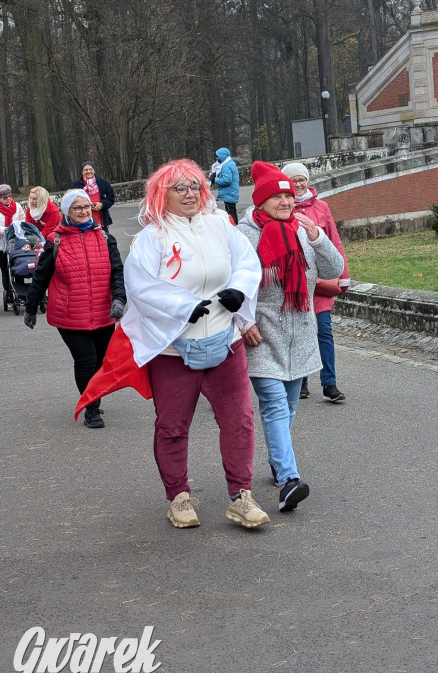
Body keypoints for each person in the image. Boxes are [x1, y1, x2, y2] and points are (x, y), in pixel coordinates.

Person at [95, 158, 269, 530]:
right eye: (180, 188)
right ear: (163, 193)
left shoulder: (222, 226)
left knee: (239, 421)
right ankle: (178, 496)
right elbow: (141, 286)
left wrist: (239, 289)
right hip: (174, 349)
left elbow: (247, 263)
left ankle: (241, 495)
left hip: (226, 343)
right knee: (172, 425)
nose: (190, 194)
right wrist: (183, 307)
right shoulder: (151, 238)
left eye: (194, 186)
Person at [237, 161, 344, 513]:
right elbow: (230, 285)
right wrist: (243, 322)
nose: (286, 200)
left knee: (290, 407)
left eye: (289, 194)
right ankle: (288, 480)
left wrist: (318, 237)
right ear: (262, 201)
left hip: (301, 334)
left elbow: (332, 270)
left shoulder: (301, 229)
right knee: (275, 405)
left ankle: (277, 459)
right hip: (263, 337)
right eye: (278, 195)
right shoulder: (244, 235)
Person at [23, 189, 126, 429]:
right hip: (69, 314)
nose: (83, 211)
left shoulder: (105, 238)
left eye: (87, 206)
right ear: (67, 211)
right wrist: (30, 308)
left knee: (101, 361)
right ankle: (91, 408)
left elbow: (117, 273)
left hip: (103, 312)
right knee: (86, 360)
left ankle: (93, 396)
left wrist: (119, 298)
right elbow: (41, 276)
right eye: (77, 208)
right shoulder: (55, 241)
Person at [282, 162, 350, 402]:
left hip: (320, 282)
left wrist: (343, 275)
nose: (299, 184)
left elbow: (334, 240)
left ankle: (329, 384)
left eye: (302, 179)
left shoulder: (321, 207)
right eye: (294, 180)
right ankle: (301, 381)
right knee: (299, 332)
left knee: (323, 331)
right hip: (296, 284)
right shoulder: (282, 208)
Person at [0, 183, 25, 304]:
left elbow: (23, 219)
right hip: (2, 244)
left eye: (10, 196)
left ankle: (21, 293)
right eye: (5, 197)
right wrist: (4, 230)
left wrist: (17, 227)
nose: (8, 199)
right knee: (5, 270)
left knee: (18, 269)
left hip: (16, 242)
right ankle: (8, 294)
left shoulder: (18, 207)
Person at [72, 161, 116, 231]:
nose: (88, 171)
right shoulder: (76, 185)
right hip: (83, 220)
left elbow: (111, 198)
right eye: (86, 170)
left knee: (103, 240)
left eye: (90, 169)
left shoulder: (102, 182)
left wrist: (102, 204)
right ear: (82, 172)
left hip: (101, 219)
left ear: (94, 171)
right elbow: (72, 202)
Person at [209, 147, 240, 225]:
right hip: (231, 193)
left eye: (218, 157)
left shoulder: (226, 166)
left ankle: (234, 227)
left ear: (222, 157)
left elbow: (227, 180)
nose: (217, 159)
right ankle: (235, 225)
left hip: (229, 193)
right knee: (232, 211)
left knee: (230, 212)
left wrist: (216, 179)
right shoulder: (230, 164)